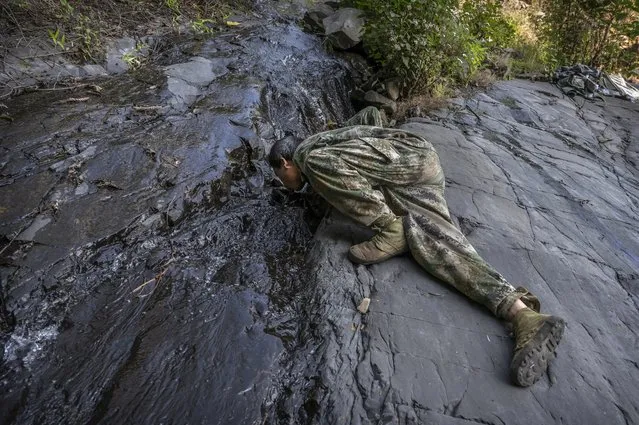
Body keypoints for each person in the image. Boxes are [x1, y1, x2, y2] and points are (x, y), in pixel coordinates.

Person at [268, 107, 565, 387]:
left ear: (286, 162)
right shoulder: (333, 139)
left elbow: (332, 166)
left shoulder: (308, 152)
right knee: (437, 244)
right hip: (417, 167)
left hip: (406, 162)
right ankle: (524, 316)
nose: (285, 183)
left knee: (322, 165)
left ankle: (389, 227)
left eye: (282, 177)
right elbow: (371, 114)